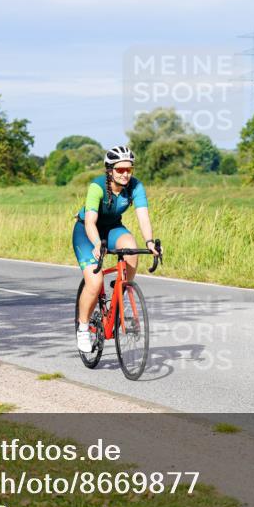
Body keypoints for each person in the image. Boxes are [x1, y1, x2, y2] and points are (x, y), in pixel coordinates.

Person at [73, 145, 159, 352]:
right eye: (120, 169)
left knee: (131, 248)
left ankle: (122, 293)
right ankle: (83, 328)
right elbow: (90, 222)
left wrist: (149, 242)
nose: (125, 174)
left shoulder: (136, 186)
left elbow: (143, 217)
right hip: (87, 232)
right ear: (110, 170)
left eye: (129, 169)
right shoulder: (97, 186)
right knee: (95, 283)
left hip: (112, 229)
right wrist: (97, 244)